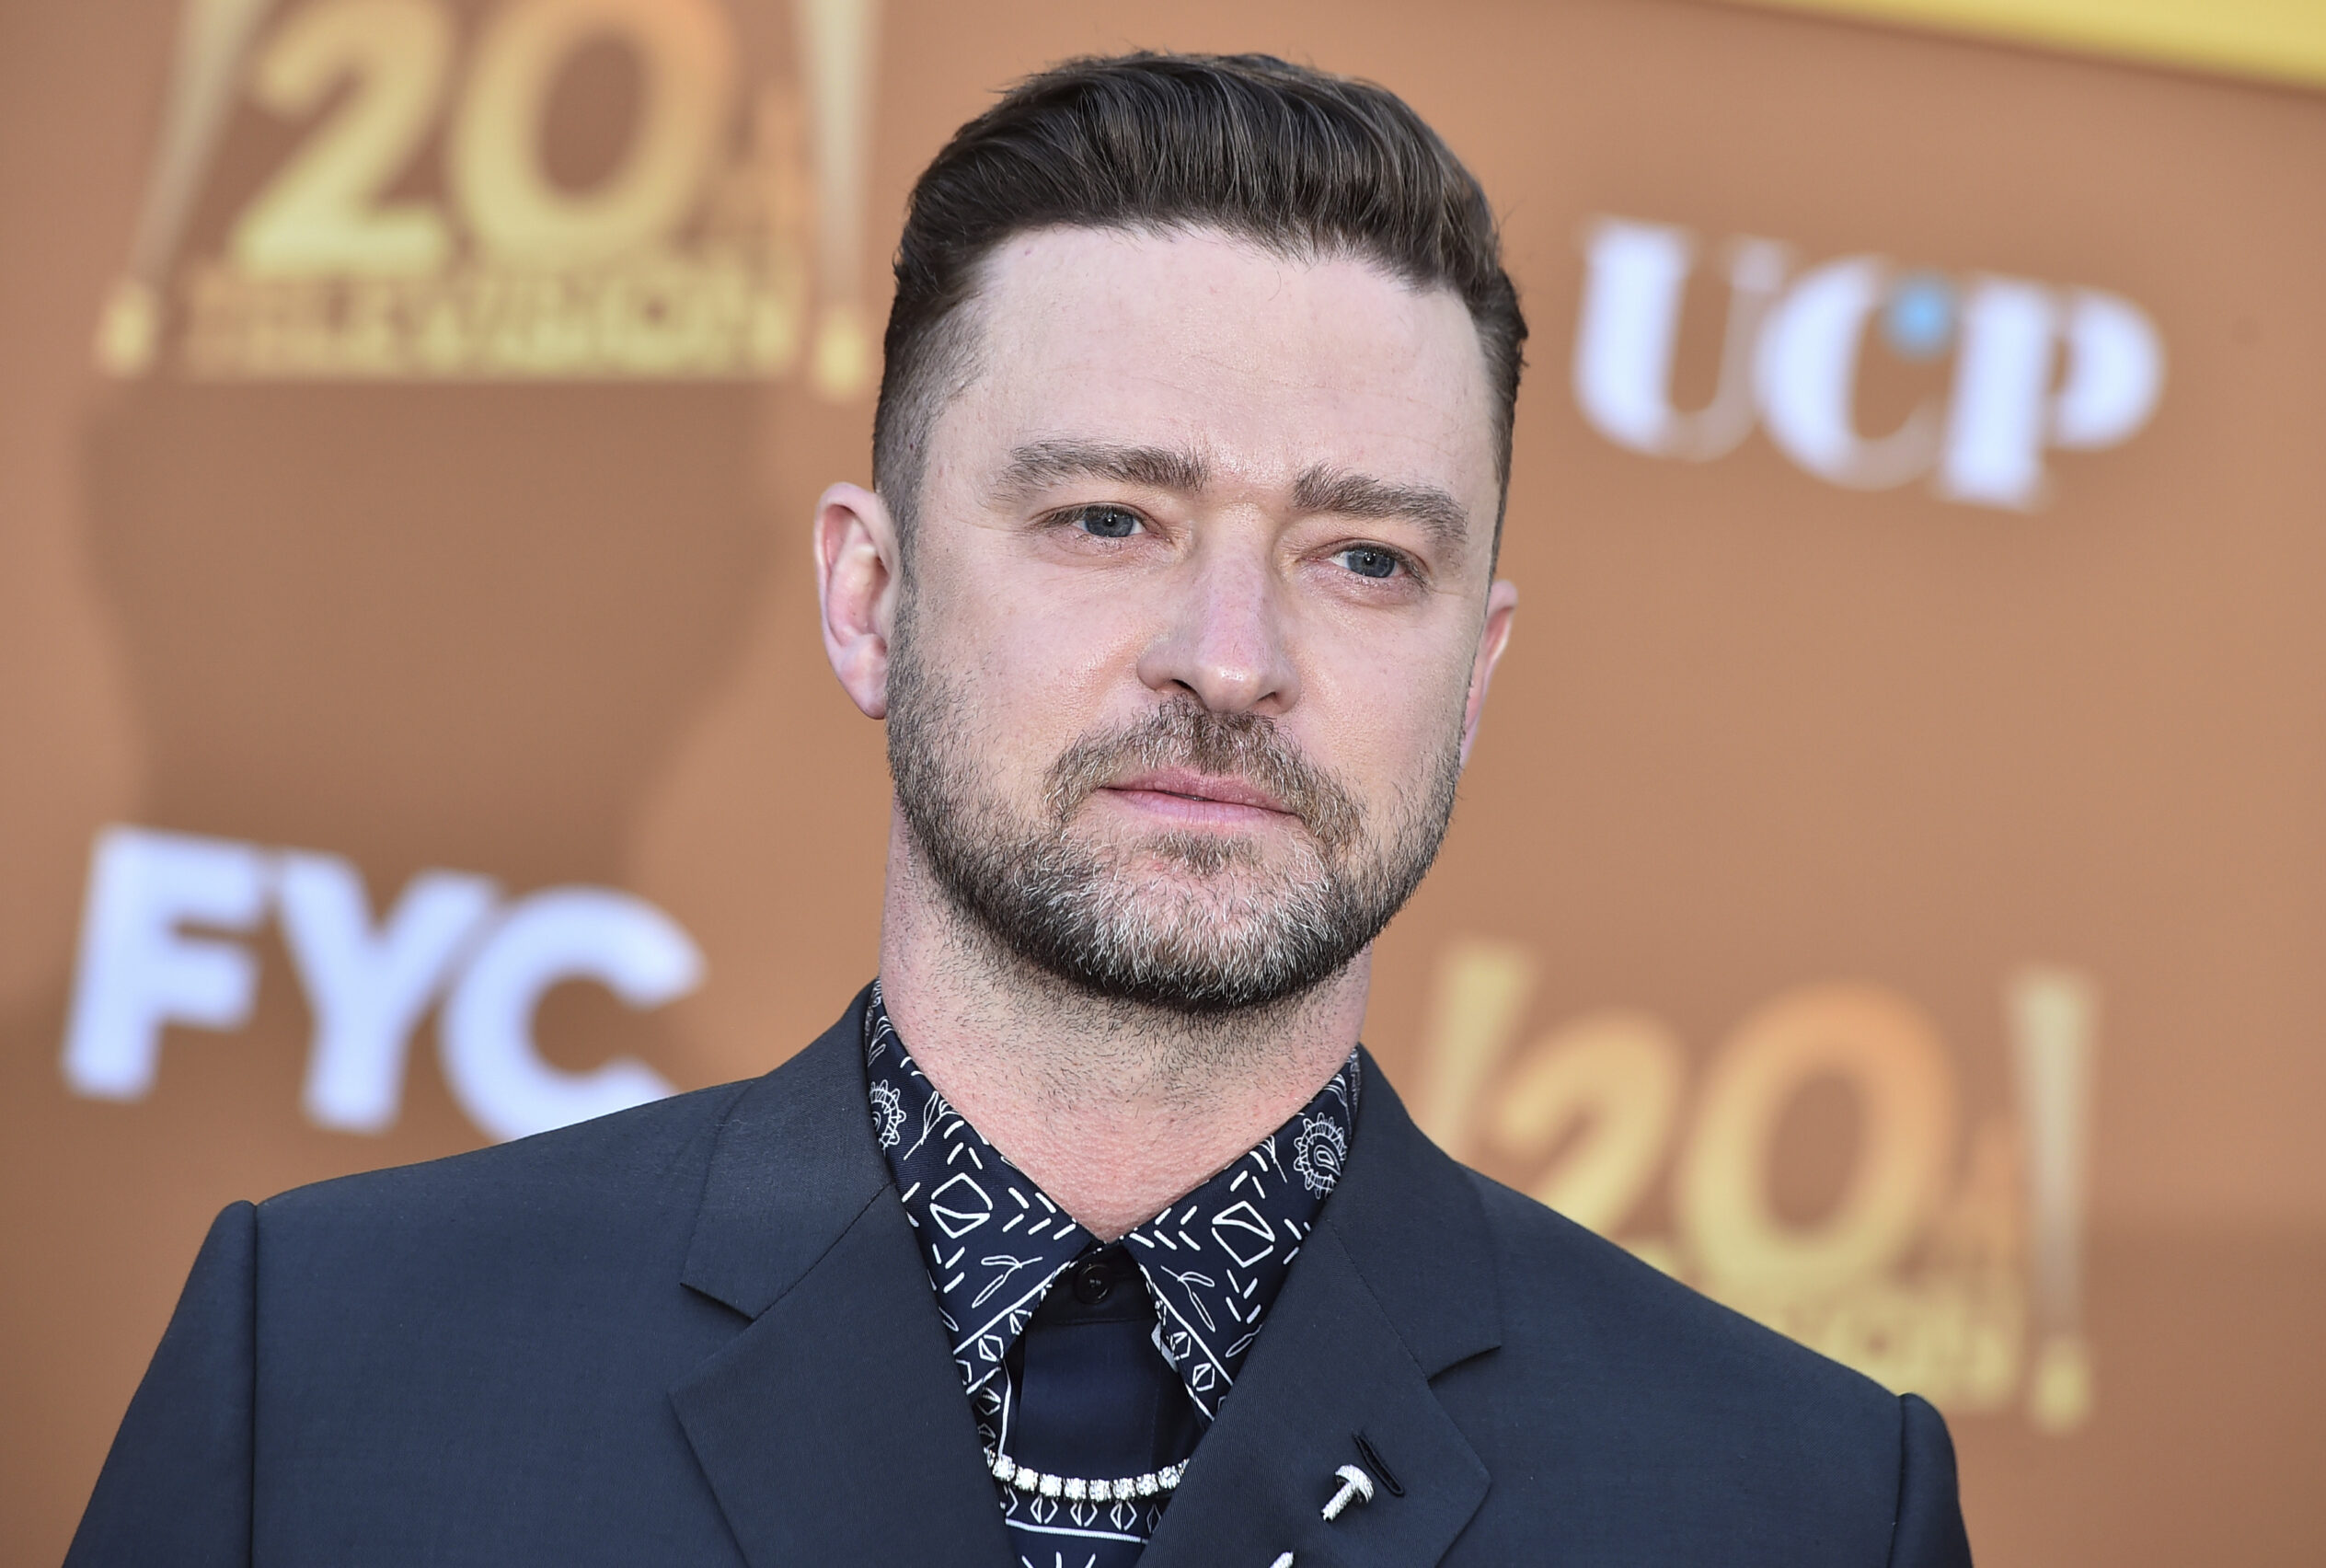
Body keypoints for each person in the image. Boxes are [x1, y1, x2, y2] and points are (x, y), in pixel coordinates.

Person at [66, 52, 1970, 1568]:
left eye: (1363, 559)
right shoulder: (333, 1367)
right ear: (867, 597)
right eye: (1105, 520)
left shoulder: (1793, 1501)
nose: (1228, 660)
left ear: (1471, 673)